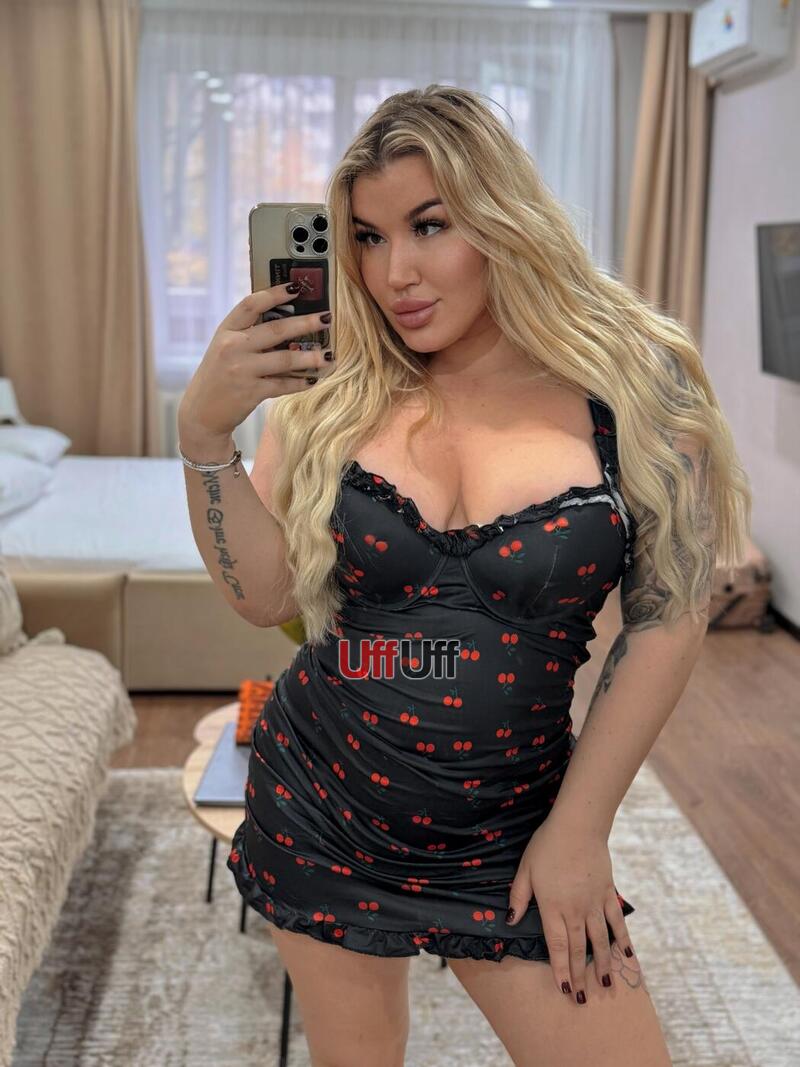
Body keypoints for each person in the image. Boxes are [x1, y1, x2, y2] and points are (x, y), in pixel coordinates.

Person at [178, 86, 751, 1067]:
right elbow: (265, 597)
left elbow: (668, 617)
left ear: (500, 216)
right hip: (319, 802)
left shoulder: (636, 382)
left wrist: (579, 829)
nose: (392, 271)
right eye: (366, 237)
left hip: (512, 833)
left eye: (429, 225)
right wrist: (202, 434)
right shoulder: (331, 384)